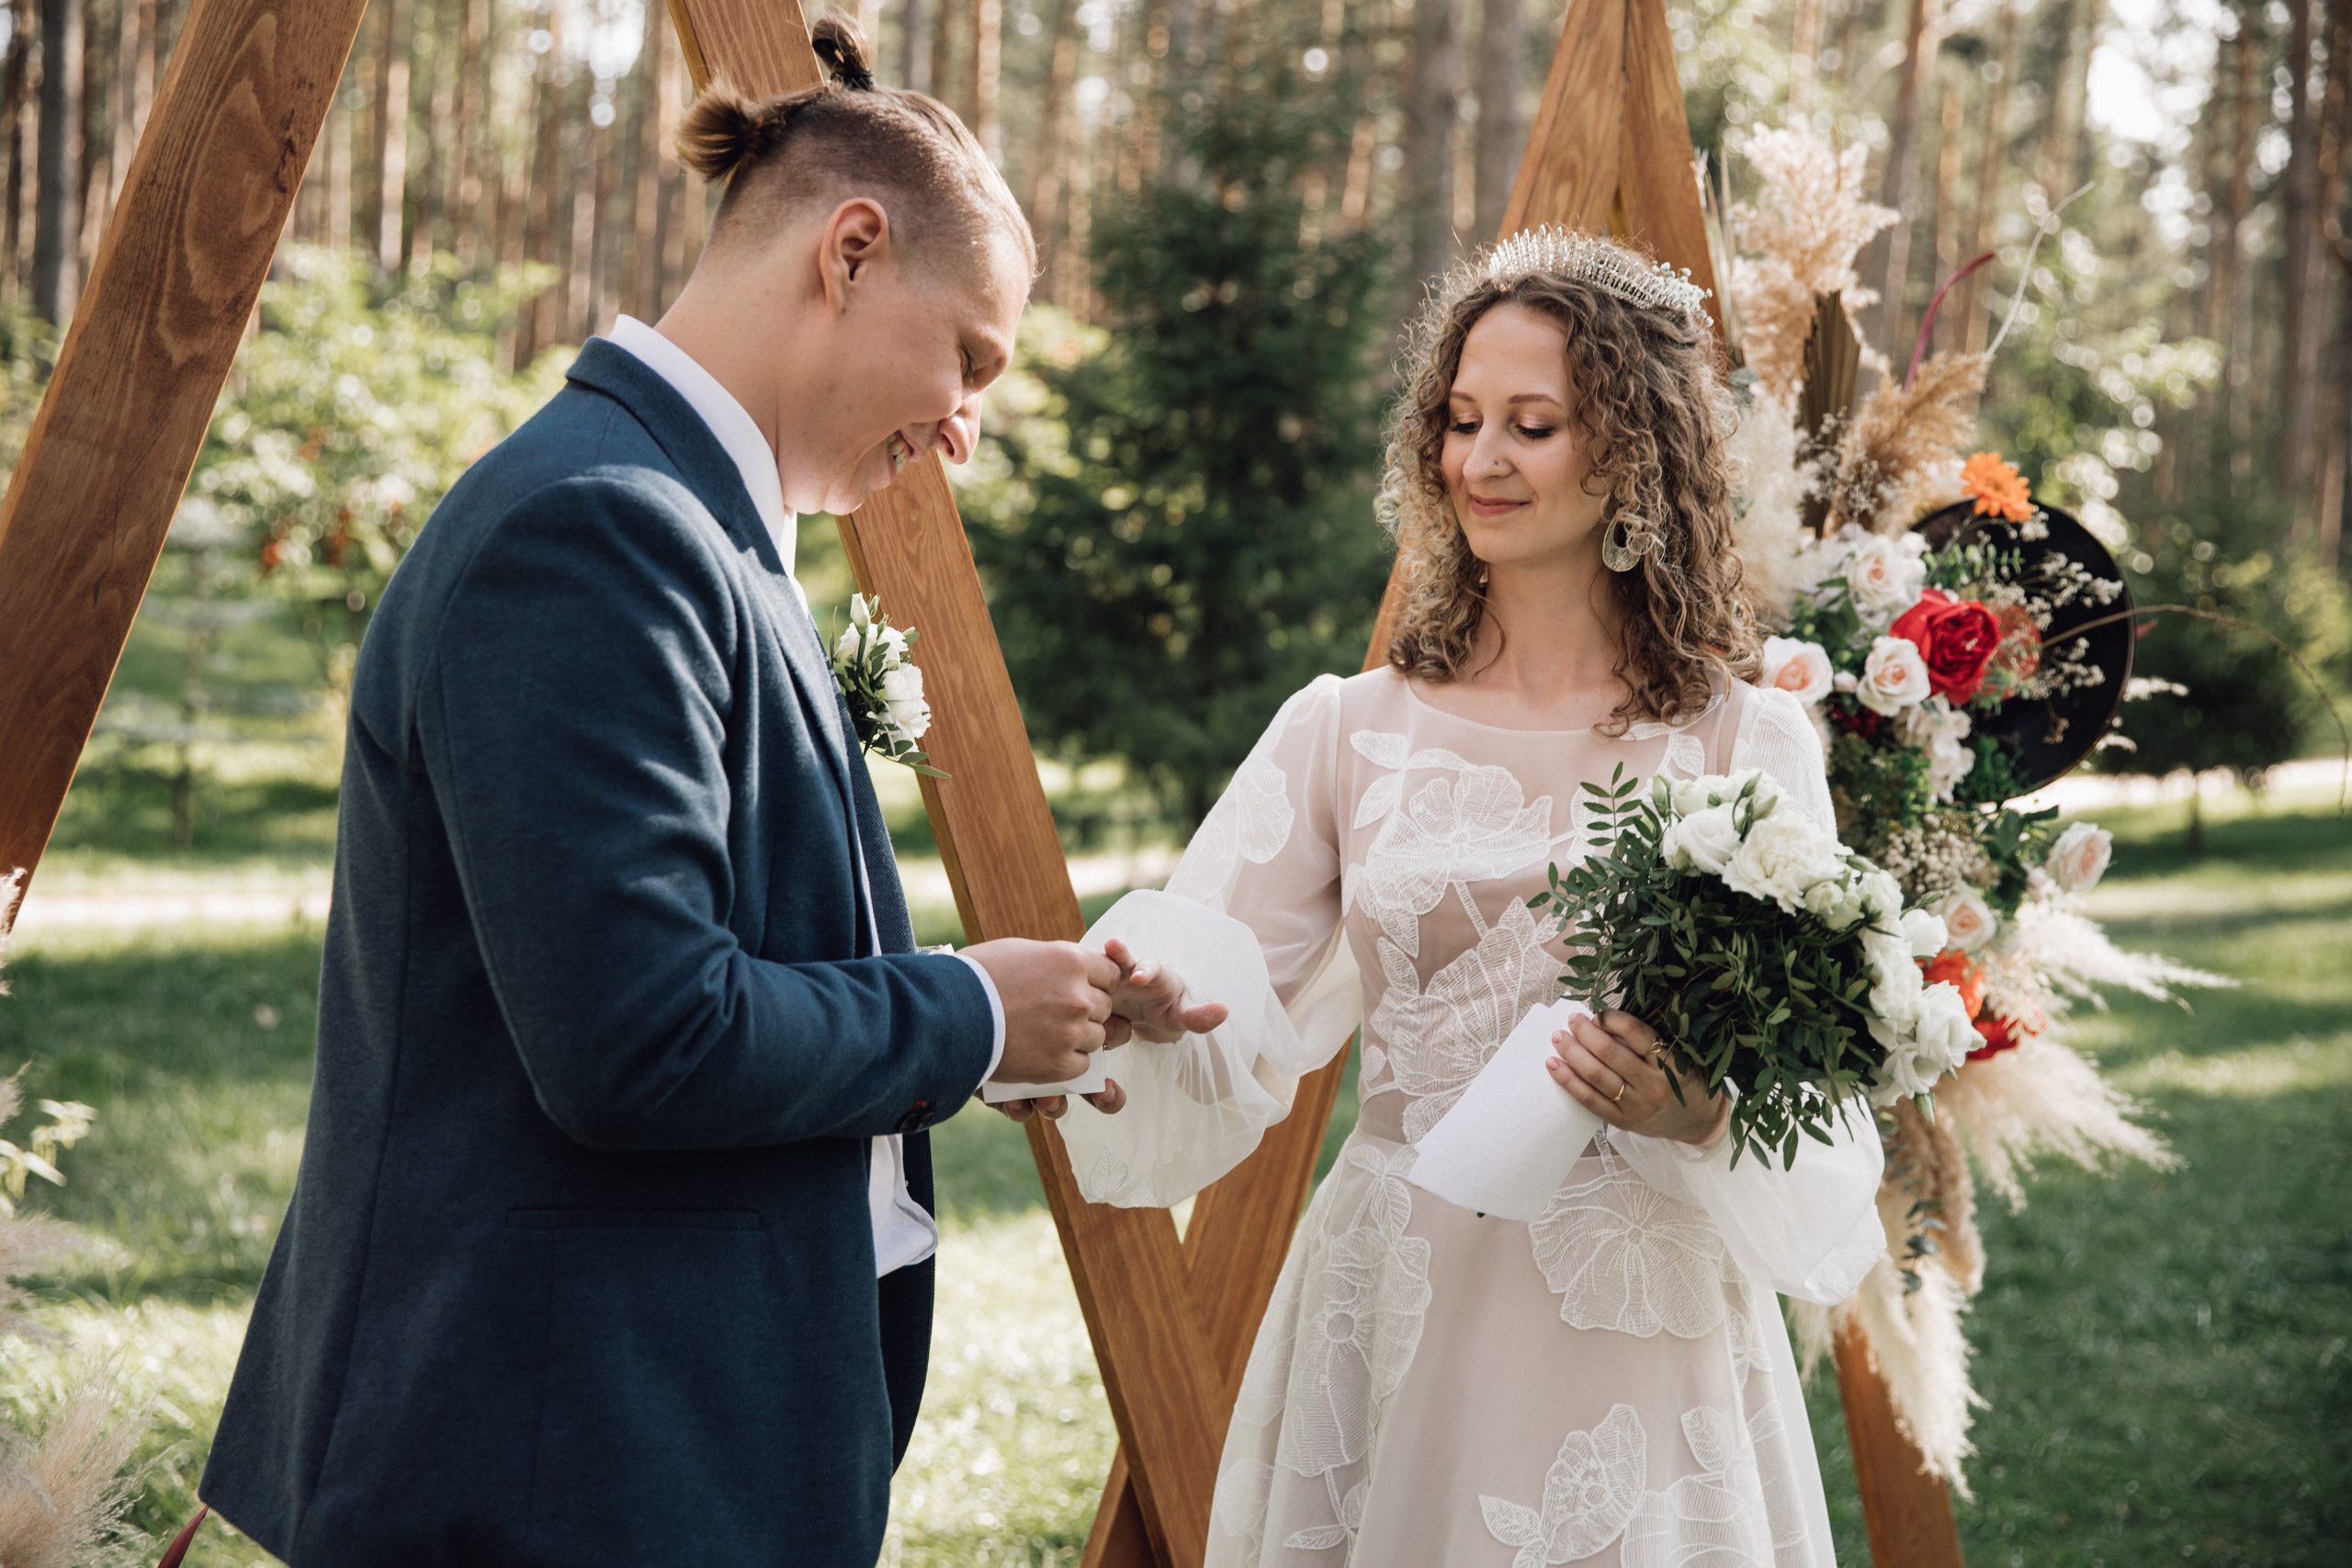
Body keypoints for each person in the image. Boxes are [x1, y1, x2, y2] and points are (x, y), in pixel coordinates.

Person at [198, 24, 1189, 1567]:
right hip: (555, 1464)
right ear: (851, 251)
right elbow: (640, 1038)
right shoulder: (599, 529)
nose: (965, 428)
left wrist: (1001, 1026)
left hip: (642, 1440)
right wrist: (965, 1014)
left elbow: (725, 956)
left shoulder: (688, 523)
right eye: (970, 357)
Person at [1052, 230, 1887, 1565]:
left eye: (1534, 425)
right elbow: (1219, 1001)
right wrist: (1150, 1003)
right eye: (1460, 419)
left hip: (1642, 1311)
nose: (1481, 461)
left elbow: (1816, 1102)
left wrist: (1696, 1110)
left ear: (1633, 448)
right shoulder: (1346, 729)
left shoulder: (1748, 743)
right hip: (1404, 1288)